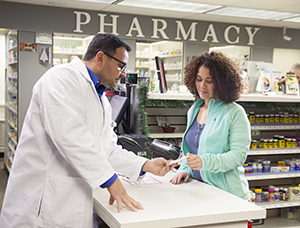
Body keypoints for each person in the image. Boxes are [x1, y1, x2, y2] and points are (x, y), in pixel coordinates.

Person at [0, 33, 176, 228]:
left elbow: (107, 150)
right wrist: (111, 181)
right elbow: (70, 138)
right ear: (100, 58)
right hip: (41, 202)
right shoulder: (60, 79)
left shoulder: (101, 99)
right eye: (121, 65)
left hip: (68, 199)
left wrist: (145, 165)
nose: (123, 73)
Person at [170, 51, 251, 201]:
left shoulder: (234, 112)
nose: (202, 85)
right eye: (199, 79)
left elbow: (238, 156)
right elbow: (193, 149)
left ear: (222, 82)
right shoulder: (194, 110)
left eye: (209, 80)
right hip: (200, 190)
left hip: (228, 195)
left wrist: (204, 162)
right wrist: (186, 169)